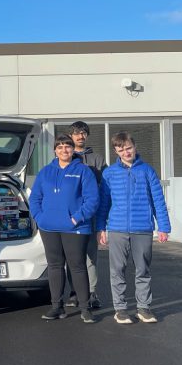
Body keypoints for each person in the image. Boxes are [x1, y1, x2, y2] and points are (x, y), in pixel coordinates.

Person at [96, 131, 171, 324]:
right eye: (121, 149)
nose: (126, 152)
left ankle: (143, 308)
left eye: (128, 147)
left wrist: (163, 227)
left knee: (143, 270)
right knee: (117, 270)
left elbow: (158, 200)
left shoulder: (147, 171)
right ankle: (120, 309)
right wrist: (100, 227)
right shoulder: (109, 173)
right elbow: (104, 203)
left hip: (142, 229)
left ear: (135, 147)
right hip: (117, 229)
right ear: (116, 151)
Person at [29, 134, 99, 323]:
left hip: (75, 228)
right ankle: (56, 307)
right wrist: (40, 218)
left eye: (67, 146)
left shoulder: (83, 171)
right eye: (59, 147)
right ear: (55, 150)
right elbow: (35, 198)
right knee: (55, 266)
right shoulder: (45, 172)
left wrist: (76, 218)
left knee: (77, 266)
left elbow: (92, 199)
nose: (64, 150)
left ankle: (85, 307)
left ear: (72, 149)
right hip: (49, 227)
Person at [65, 121, 106, 309]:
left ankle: (91, 293)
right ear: (71, 136)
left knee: (90, 256)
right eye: (76, 133)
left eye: (83, 133)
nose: (80, 136)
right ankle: (74, 293)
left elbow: (104, 187)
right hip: (70, 215)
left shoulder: (97, 158)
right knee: (73, 256)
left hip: (91, 215)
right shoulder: (65, 156)